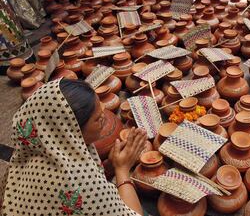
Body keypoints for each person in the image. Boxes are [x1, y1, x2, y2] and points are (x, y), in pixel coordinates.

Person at [1, 78, 147, 215]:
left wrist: (108, 166)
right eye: (97, 118)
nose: (105, 117)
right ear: (70, 130)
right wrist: (122, 169)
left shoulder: (30, 150)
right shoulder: (79, 182)